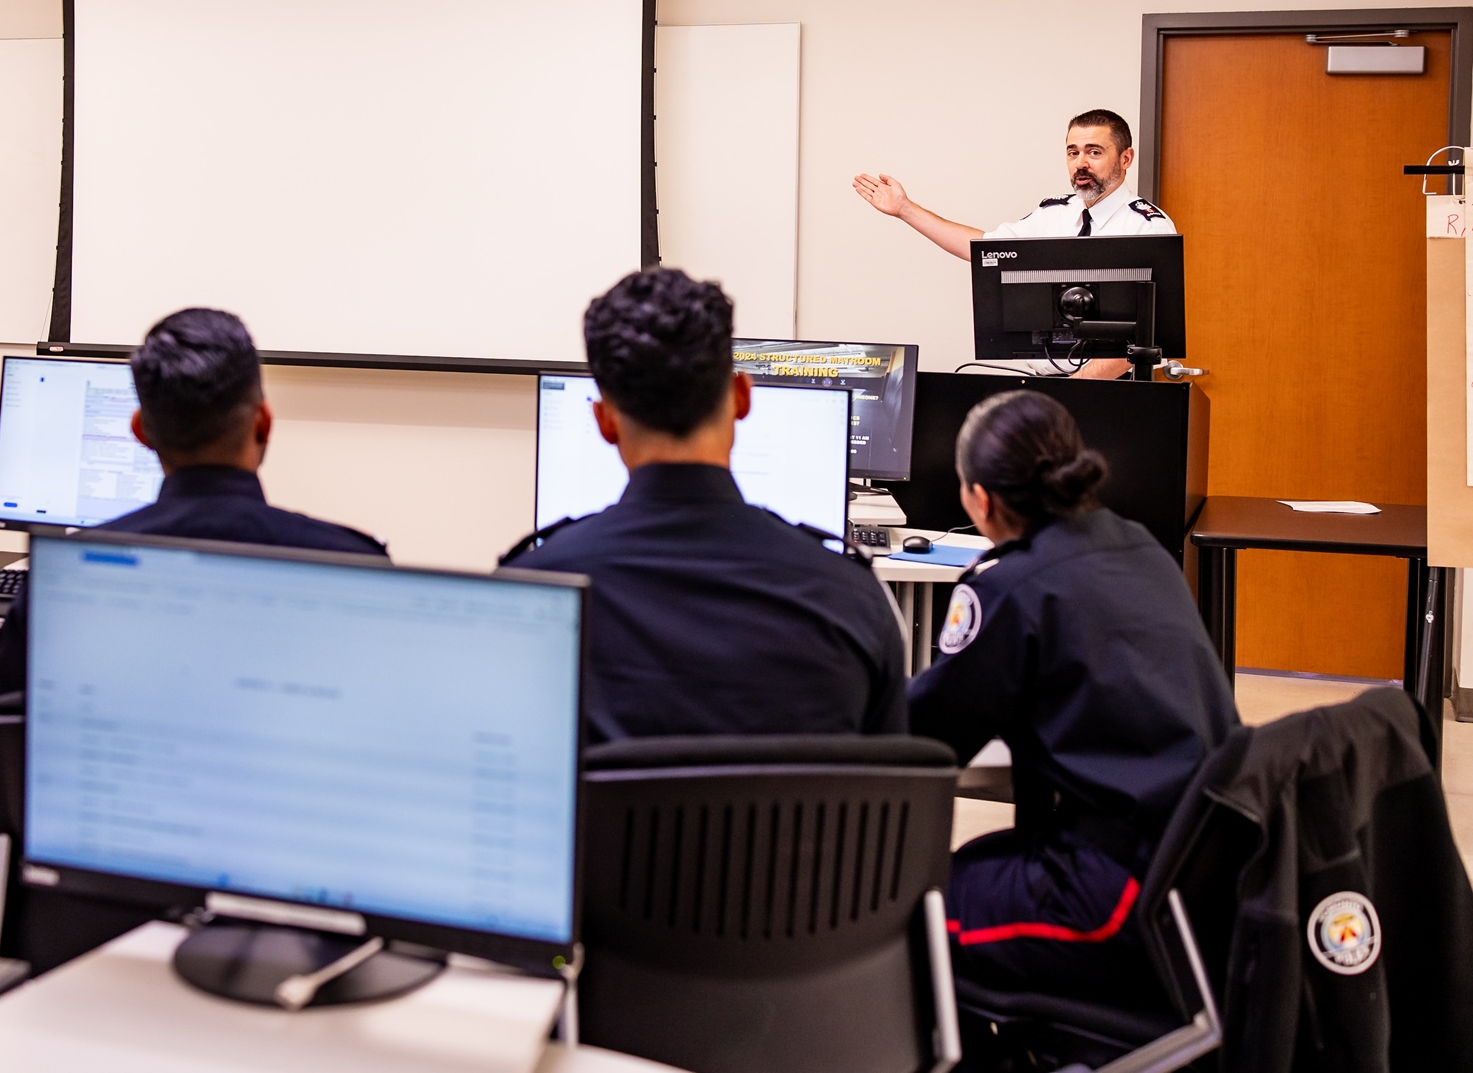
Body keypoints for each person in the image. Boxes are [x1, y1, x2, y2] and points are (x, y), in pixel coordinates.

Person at [907, 390, 1236, 1004]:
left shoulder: (1010, 588)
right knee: (969, 868)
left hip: (1119, 892)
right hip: (1205, 871)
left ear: (980, 498)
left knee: (900, 910)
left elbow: (927, 738)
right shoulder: (1141, 547)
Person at [500, 267, 908, 743]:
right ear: (740, 398)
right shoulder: (852, 599)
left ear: (604, 421)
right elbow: (888, 797)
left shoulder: (530, 594)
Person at [0, 308, 388, 695]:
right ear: (263, 422)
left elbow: (12, 734)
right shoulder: (359, 568)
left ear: (140, 433)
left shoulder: (61, 579)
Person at [852, 109, 1174, 379]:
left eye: (1094, 152)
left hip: (1110, 391)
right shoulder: (1055, 213)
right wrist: (906, 210)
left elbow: (1147, 332)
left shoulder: (1147, 226)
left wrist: (1078, 387)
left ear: (1126, 158)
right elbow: (983, 250)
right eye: (1072, 152)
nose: (1080, 163)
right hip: (1043, 384)